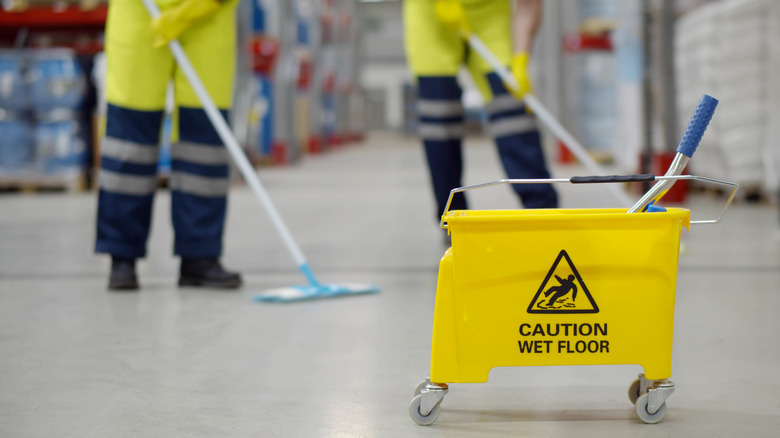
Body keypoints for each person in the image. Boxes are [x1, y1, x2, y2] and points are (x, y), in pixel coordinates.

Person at [95, 0, 242, 290]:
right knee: (130, 139)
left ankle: (199, 254)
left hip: (210, 12)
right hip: (140, 11)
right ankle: (122, 254)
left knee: (204, 141)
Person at [404, 0, 558, 223]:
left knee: (511, 106)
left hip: (489, 13)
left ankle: (543, 211)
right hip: (430, 14)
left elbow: (528, 6)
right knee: (439, 116)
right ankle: (453, 219)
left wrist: (521, 58)